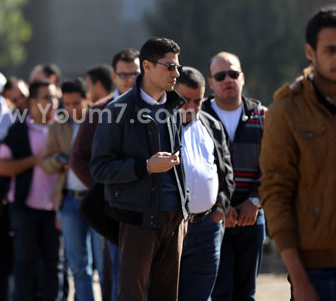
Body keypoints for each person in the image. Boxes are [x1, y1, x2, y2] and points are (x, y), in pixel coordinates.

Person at [260, 6, 336, 300]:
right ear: (310, 53)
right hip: (318, 273)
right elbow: (276, 195)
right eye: (331, 50)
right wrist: (299, 280)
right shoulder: (286, 112)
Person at [90, 37, 189, 301]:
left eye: (177, 67)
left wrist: (184, 209)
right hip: (138, 219)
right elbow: (100, 168)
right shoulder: (116, 111)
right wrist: (145, 167)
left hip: (173, 218)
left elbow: (178, 165)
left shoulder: (174, 108)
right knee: (132, 295)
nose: (176, 73)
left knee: (168, 296)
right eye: (169, 66)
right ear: (147, 66)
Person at [70, 49, 140, 301]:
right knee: (115, 271)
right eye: (124, 74)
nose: (130, 79)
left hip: (148, 207)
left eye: (136, 73)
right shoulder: (101, 109)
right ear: (114, 76)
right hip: (113, 206)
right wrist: (103, 188)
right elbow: (78, 157)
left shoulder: (156, 106)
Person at [201, 52, 267, 301]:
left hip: (253, 216)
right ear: (211, 82)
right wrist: (221, 204)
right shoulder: (198, 116)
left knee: (246, 293)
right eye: (220, 76)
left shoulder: (264, 116)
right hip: (213, 217)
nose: (228, 80)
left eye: (233, 74)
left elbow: (274, 166)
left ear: (243, 78)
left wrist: (254, 201)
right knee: (219, 293)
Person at [174, 67, 235, 301]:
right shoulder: (156, 126)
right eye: (184, 100)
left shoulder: (211, 125)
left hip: (207, 230)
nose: (191, 107)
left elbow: (226, 171)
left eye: (197, 100)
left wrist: (220, 209)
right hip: (169, 229)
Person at [0, 79, 60, 301]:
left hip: (56, 209)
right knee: (25, 262)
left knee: (52, 264)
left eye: (54, 97)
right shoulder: (17, 131)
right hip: (25, 207)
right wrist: (35, 160)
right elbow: (3, 167)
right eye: (46, 97)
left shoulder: (64, 128)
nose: (52, 102)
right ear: (32, 101)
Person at [41, 78, 103, 301]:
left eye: (75, 103)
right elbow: (45, 162)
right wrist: (60, 161)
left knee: (104, 265)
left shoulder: (99, 121)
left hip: (97, 201)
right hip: (69, 202)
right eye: (66, 104)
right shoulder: (58, 126)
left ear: (87, 99)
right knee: (78, 266)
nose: (70, 108)